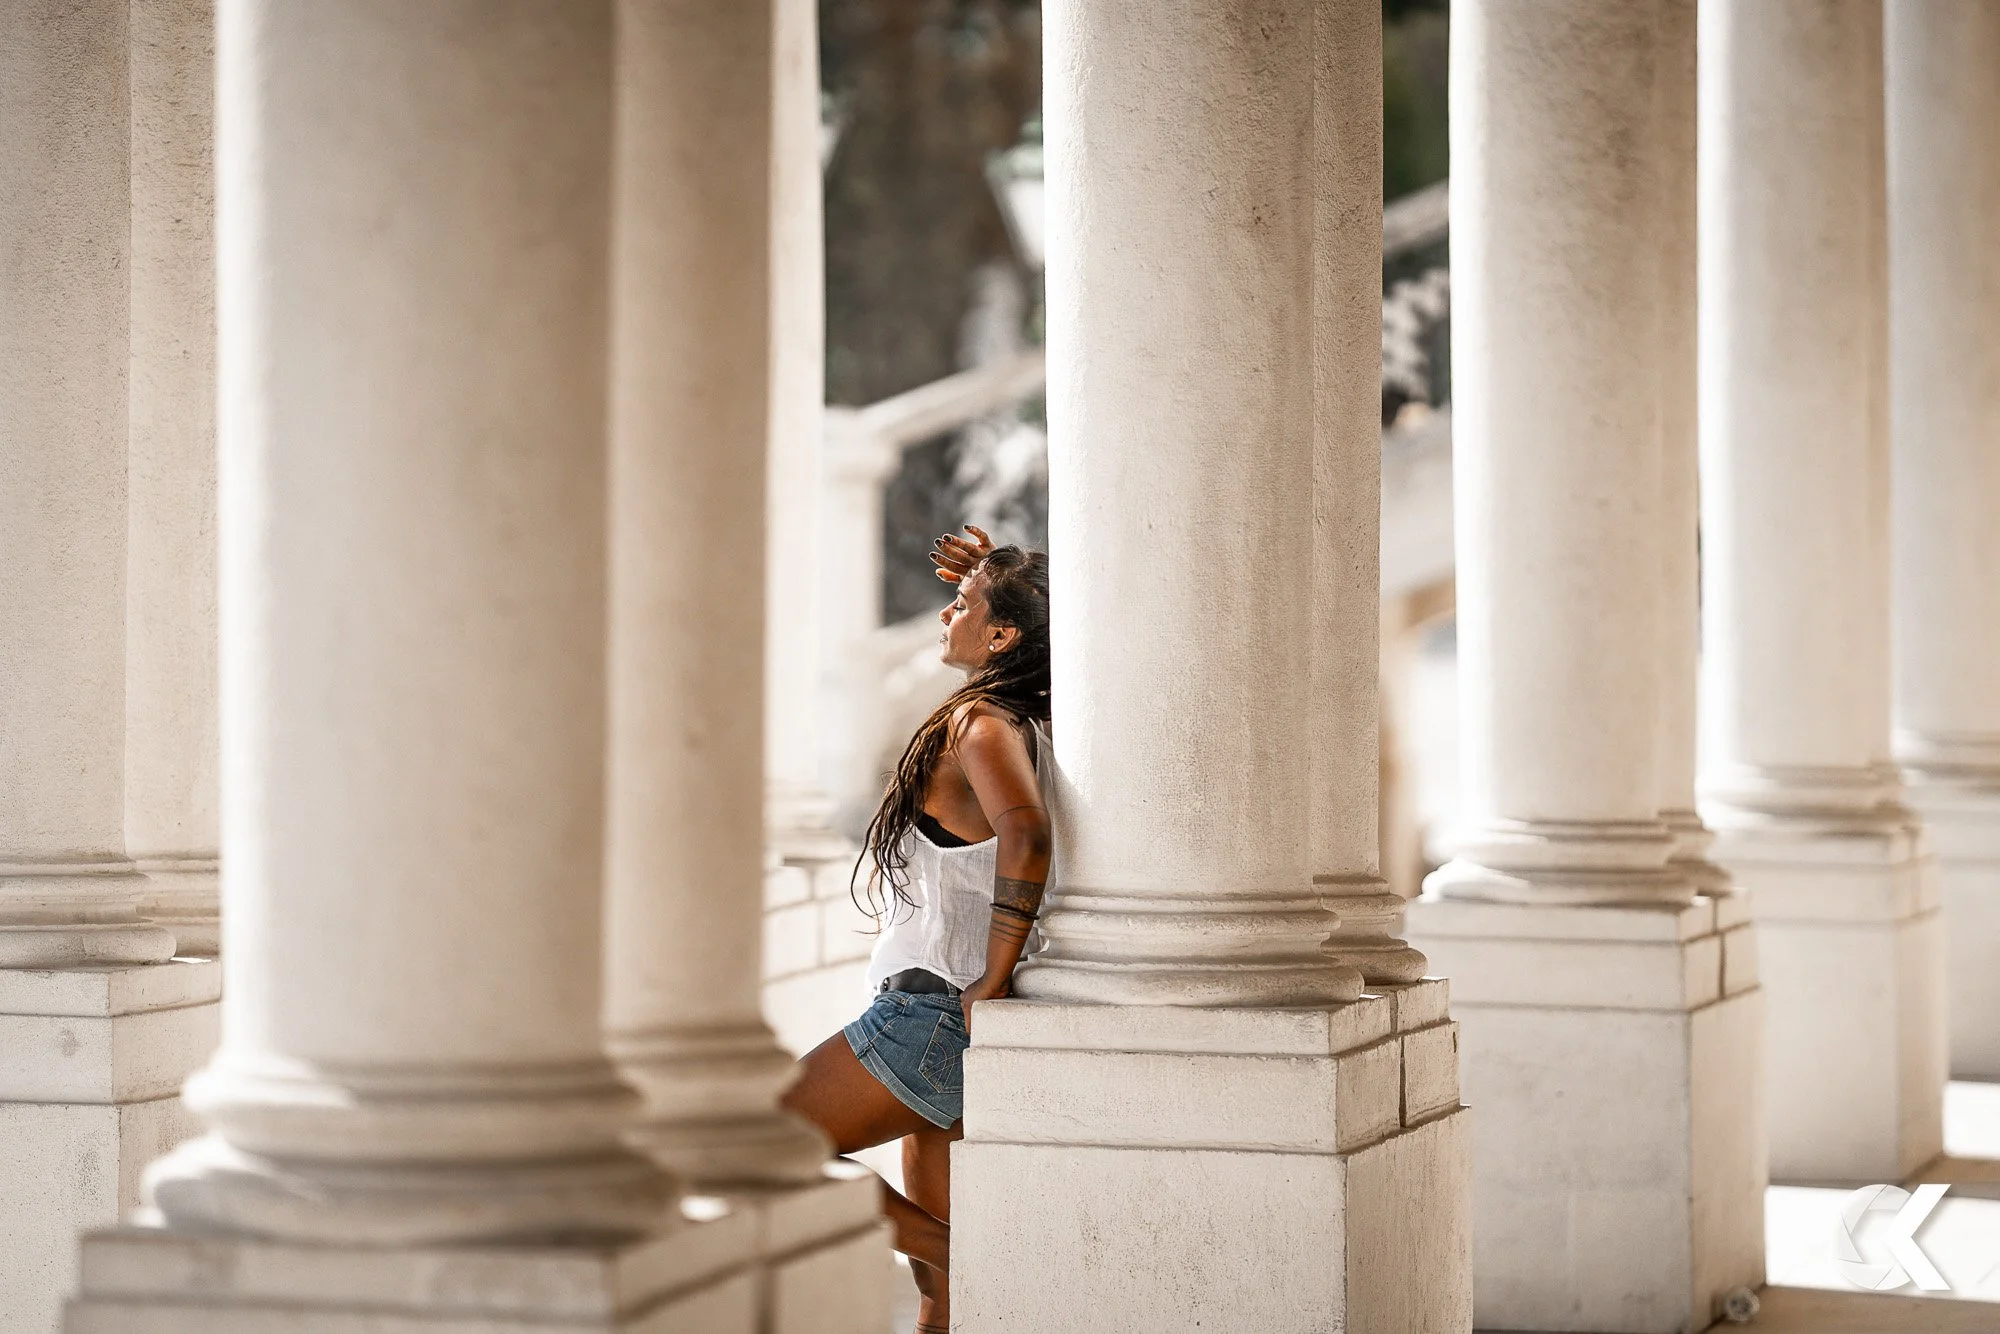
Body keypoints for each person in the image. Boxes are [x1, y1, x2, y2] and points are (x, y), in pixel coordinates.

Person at [781, 526, 1054, 1334]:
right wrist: (992, 581)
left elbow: (1028, 836)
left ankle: (974, 1256)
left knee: (764, 1138)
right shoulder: (1027, 722)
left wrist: (993, 976)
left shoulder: (978, 725)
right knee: (938, 1299)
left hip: (929, 1018)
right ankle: (960, 1261)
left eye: (963, 606)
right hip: (946, 1023)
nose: (945, 611)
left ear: (1002, 636)